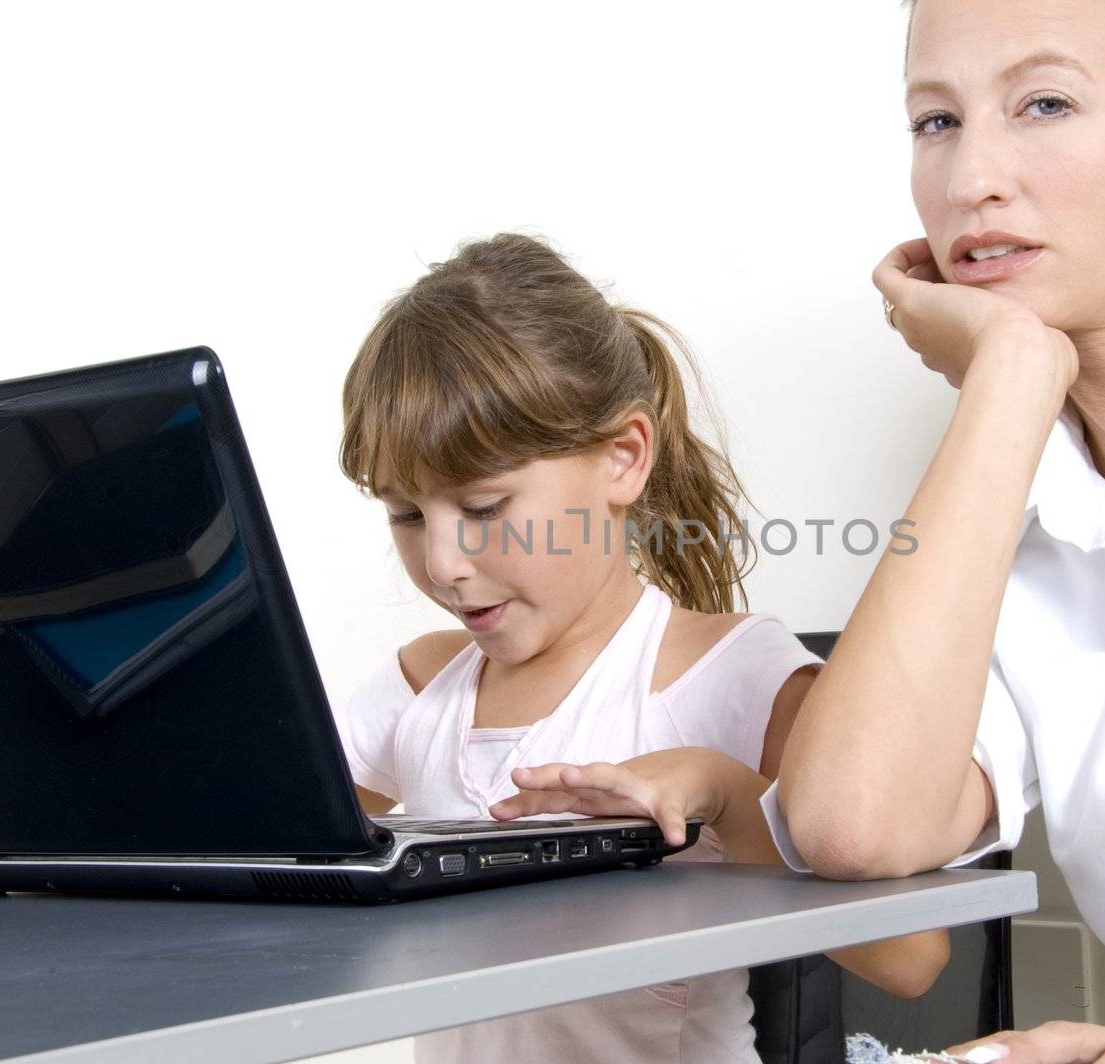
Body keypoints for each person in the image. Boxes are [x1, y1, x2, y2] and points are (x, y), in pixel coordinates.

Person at [496, 1, 1105, 1060]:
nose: (971, 180)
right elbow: (852, 827)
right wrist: (1009, 379)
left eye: (1044, 103)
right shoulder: (996, 510)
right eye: (935, 121)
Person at [334, 232, 949, 1063]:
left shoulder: (732, 677)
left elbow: (911, 960)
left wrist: (730, 797)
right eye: (407, 515)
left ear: (623, 459)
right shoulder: (419, 688)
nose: (442, 563)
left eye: (483, 507)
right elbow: (256, 867)